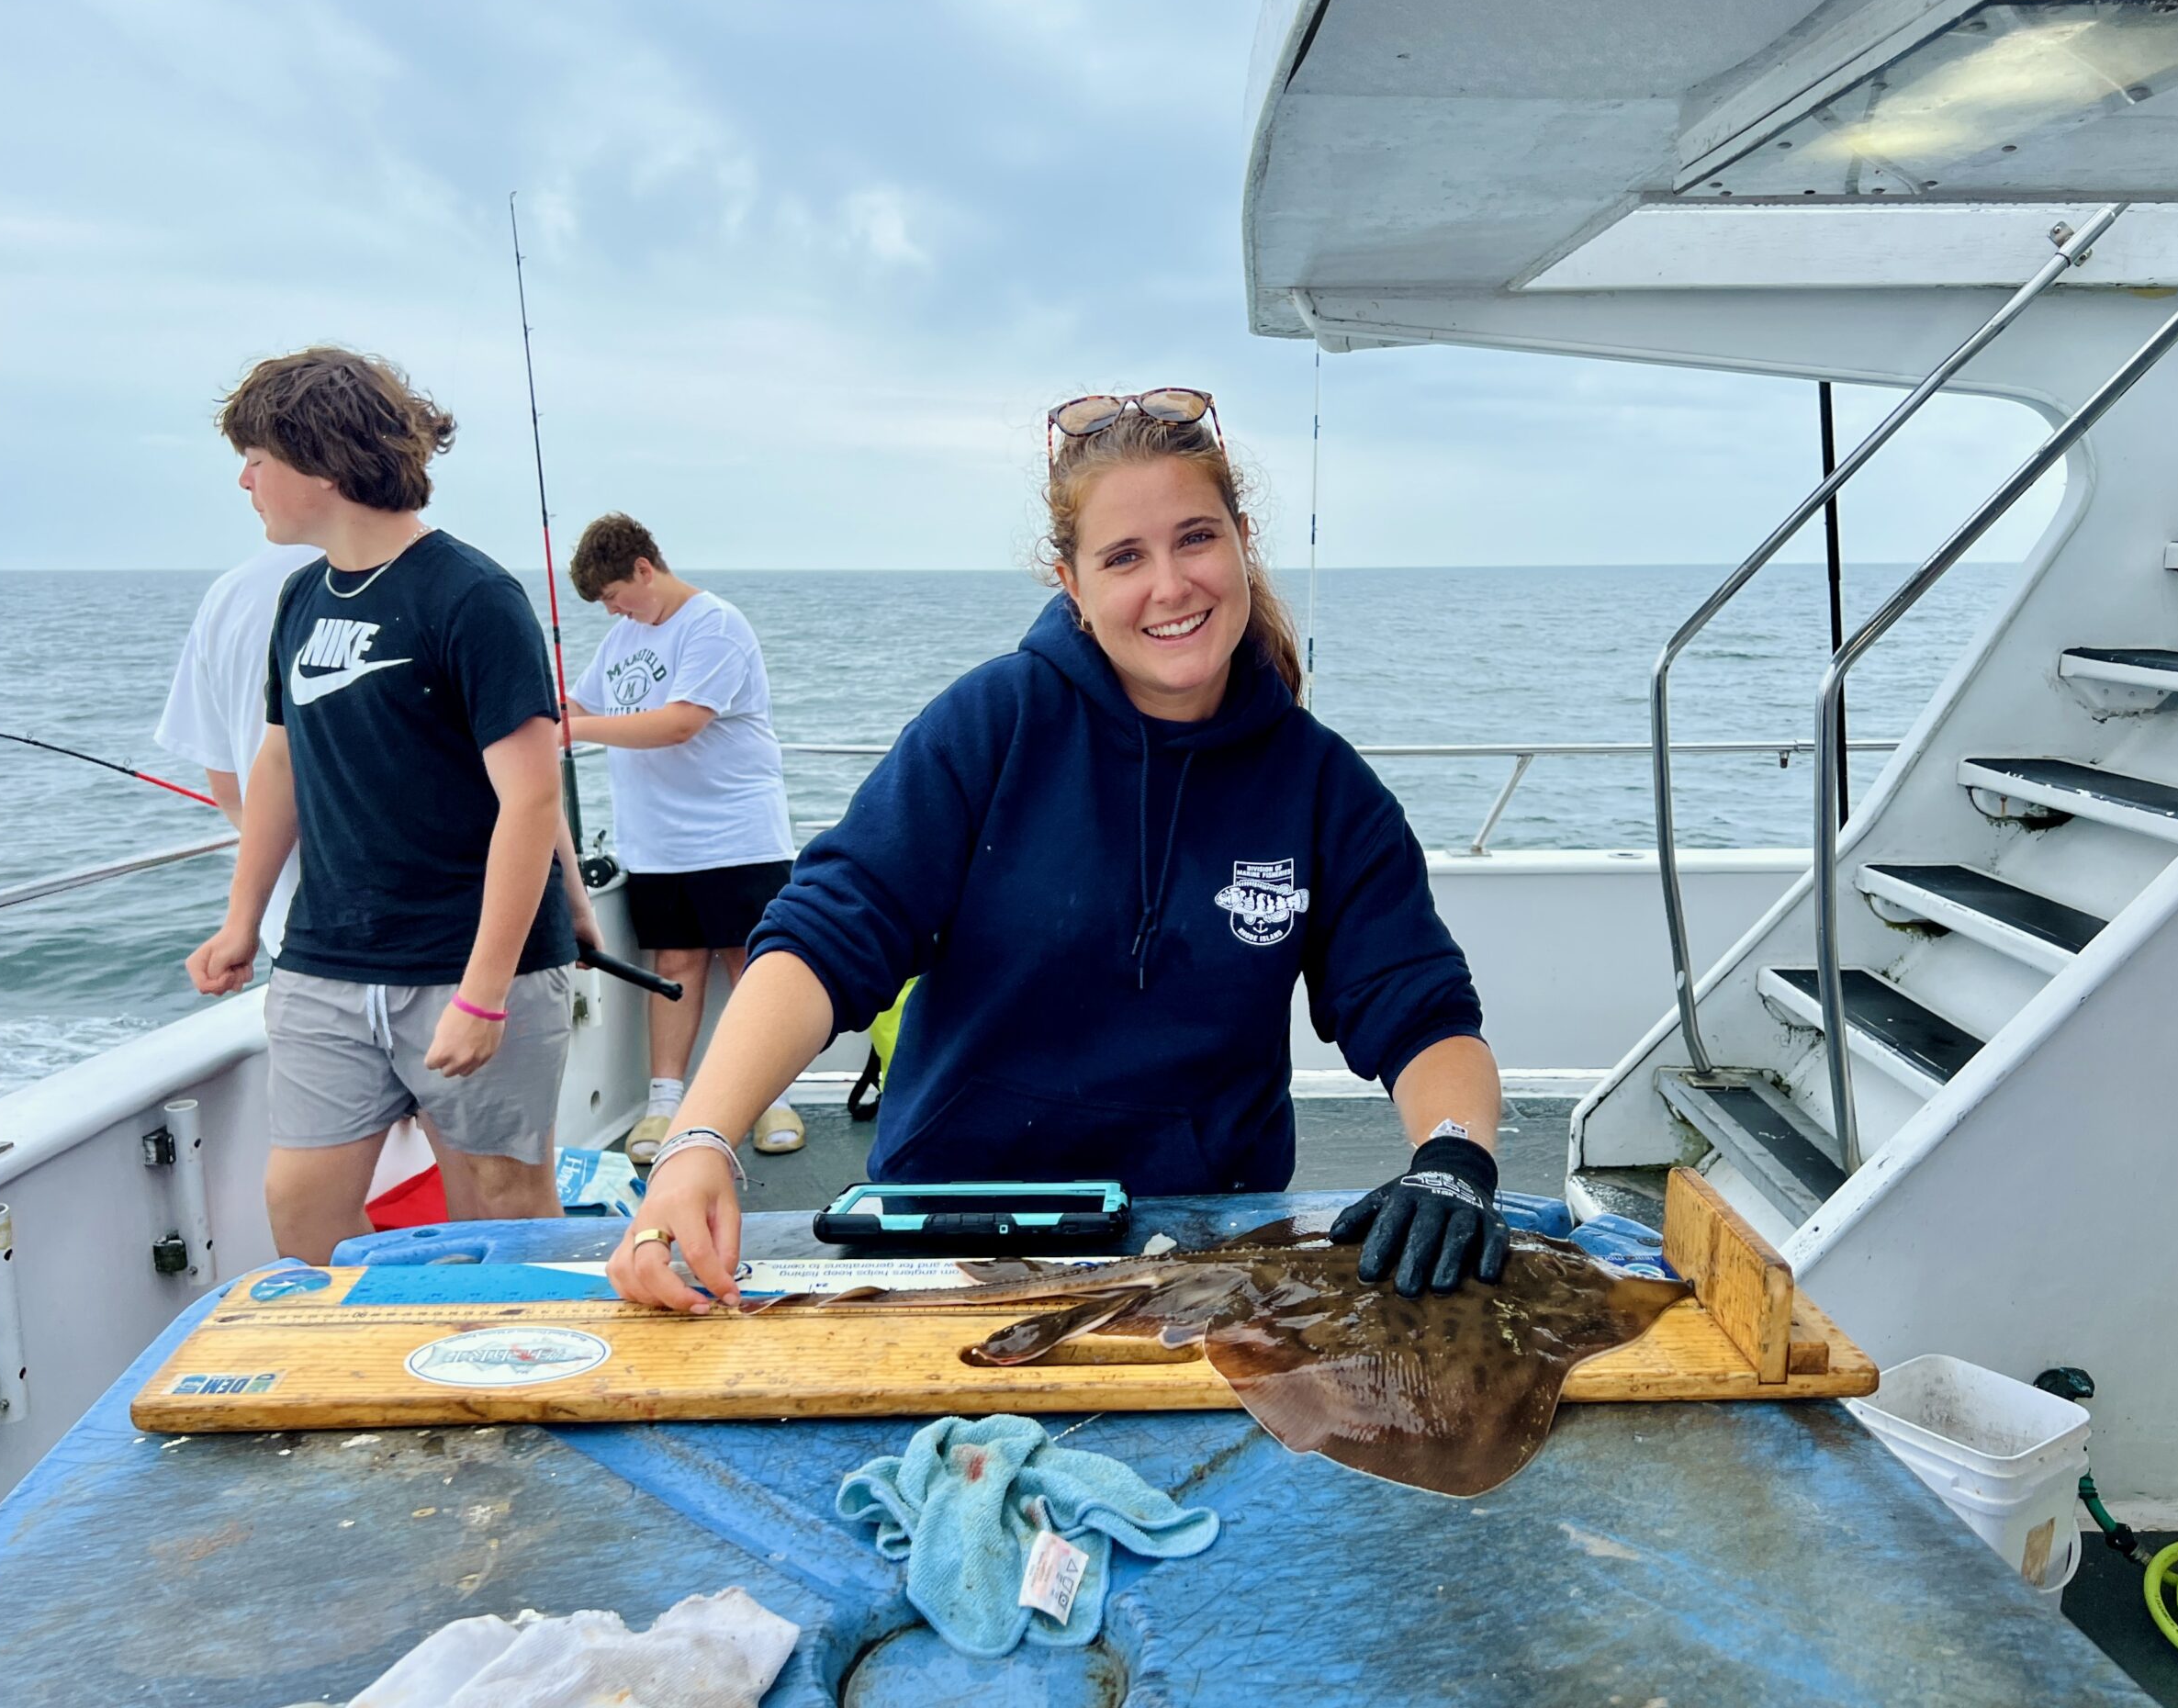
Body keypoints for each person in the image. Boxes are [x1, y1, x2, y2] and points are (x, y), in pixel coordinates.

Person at [610, 388, 1510, 1313]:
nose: (1169, 585)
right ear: (1071, 582)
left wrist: (1451, 1156)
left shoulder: (1323, 788)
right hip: (948, 1228)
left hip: (1210, 1245)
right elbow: (828, 936)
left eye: (1196, 538)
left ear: (1243, 540)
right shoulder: (990, 726)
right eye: (1124, 557)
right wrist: (700, 1139)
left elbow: (1420, 1010)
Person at [185, 347, 601, 1264]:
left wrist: (485, 997)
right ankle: (395, 1371)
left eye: (259, 456)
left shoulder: (472, 597)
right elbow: (281, 762)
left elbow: (530, 801)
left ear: (323, 464)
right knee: (300, 1208)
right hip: (327, 962)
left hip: (470, 965)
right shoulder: (301, 596)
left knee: (499, 1204)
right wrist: (241, 920)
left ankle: (523, 1388)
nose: (244, 477)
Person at [564, 514, 803, 1163]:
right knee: (672, 966)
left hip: (737, 836)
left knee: (750, 961)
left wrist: (574, 734)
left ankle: (770, 1095)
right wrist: (542, 714)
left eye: (615, 594)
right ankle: (664, 1101)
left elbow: (680, 724)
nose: (613, 610)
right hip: (656, 842)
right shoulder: (620, 638)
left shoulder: (714, 625)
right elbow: (582, 706)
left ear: (645, 568)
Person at [155, 540, 317, 959]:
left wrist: (242, 922)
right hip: (441, 942)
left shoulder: (231, 594)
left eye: (259, 467)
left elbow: (229, 786)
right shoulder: (457, 584)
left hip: (296, 938)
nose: (245, 481)